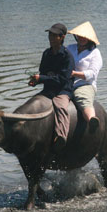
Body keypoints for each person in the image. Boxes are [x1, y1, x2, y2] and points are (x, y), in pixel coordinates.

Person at [28, 23, 74, 151]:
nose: (51, 38)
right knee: (33, 104)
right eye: (50, 35)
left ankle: (61, 136)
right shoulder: (46, 53)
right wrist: (36, 81)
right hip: (48, 90)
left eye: (55, 35)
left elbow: (62, 79)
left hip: (62, 90)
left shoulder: (67, 56)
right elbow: (43, 72)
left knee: (61, 107)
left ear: (62, 37)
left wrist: (41, 78)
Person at [67, 21, 103, 132]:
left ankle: (92, 119)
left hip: (84, 84)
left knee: (83, 98)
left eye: (85, 36)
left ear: (89, 38)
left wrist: (74, 73)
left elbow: (92, 74)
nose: (82, 38)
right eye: (80, 35)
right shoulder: (70, 48)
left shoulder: (95, 53)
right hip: (67, 82)